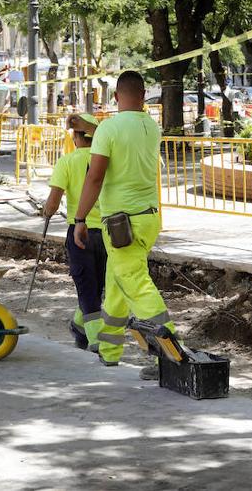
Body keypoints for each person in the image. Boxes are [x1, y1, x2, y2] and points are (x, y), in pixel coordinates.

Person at [74, 70, 172, 370]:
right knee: (116, 284)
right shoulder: (151, 127)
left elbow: (95, 176)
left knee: (137, 285)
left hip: (121, 225)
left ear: (115, 97)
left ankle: (172, 355)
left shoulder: (108, 129)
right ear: (143, 96)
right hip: (149, 218)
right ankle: (109, 350)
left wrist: (80, 218)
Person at [41, 113, 106, 352]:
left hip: (80, 231)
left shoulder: (67, 162)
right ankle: (79, 327)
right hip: (107, 232)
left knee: (87, 287)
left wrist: (45, 211)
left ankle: (96, 341)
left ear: (77, 137)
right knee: (96, 286)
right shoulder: (106, 159)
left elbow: (52, 203)